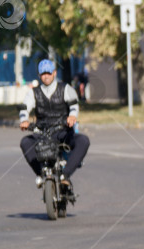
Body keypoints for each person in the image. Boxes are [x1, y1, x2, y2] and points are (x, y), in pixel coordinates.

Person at [19, 59, 90, 191]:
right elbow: (24, 107)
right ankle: (40, 173)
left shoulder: (65, 88)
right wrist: (24, 119)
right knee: (25, 142)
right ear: (39, 75)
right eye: (43, 73)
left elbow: (74, 105)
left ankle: (65, 175)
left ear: (54, 73)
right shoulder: (33, 92)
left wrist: (72, 116)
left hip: (62, 132)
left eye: (49, 73)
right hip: (42, 133)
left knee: (83, 141)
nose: (46, 76)